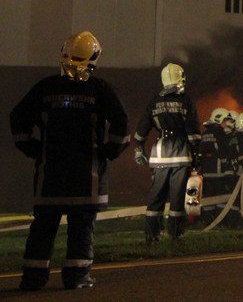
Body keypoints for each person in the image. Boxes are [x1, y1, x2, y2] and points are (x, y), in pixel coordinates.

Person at [11, 31, 129, 291]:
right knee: (81, 229)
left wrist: (34, 149)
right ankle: (77, 276)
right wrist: (110, 151)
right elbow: (121, 122)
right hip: (86, 177)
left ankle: (33, 278)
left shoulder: (45, 88)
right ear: (93, 59)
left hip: (50, 176)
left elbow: (18, 118)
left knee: (43, 228)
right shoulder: (99, 89)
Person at [134, 62, 201, 244]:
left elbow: (141, 131)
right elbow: (193, 133)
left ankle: (152, 236)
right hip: (181, 155)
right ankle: (175, 235)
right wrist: (197, 156)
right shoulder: (185, 101)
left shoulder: (154, 101)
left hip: (159, 156)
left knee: (155, 198)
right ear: (181, 78)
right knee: (177, 200)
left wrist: (139, 149)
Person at [197, 108, 231, 224]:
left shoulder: (205, 133)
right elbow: (224, 151)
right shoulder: (220, 133)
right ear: (219, 119)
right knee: (221, 196)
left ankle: (207, 220)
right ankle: (220, 221)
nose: (226, 123)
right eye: (225, 120)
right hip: (219, 172)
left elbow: (201, 152)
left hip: (206, 172)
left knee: (208, 197)